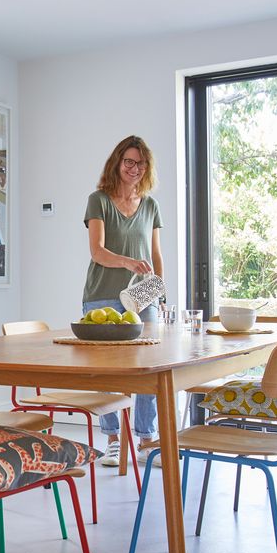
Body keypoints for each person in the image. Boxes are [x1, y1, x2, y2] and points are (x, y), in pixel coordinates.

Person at [83, 135, 164, 466]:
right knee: (108, 372)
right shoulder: (98, 200)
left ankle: (145, 438)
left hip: (144, 295)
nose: (134, 168)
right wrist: (129, 261)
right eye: (129, 161)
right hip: (102, 295)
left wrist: (160, 289)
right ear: (117, 162)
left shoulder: (150, 205)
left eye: (140, 163)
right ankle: (113, 439)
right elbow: (97, 251)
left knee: (149, 367)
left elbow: (155, 252)